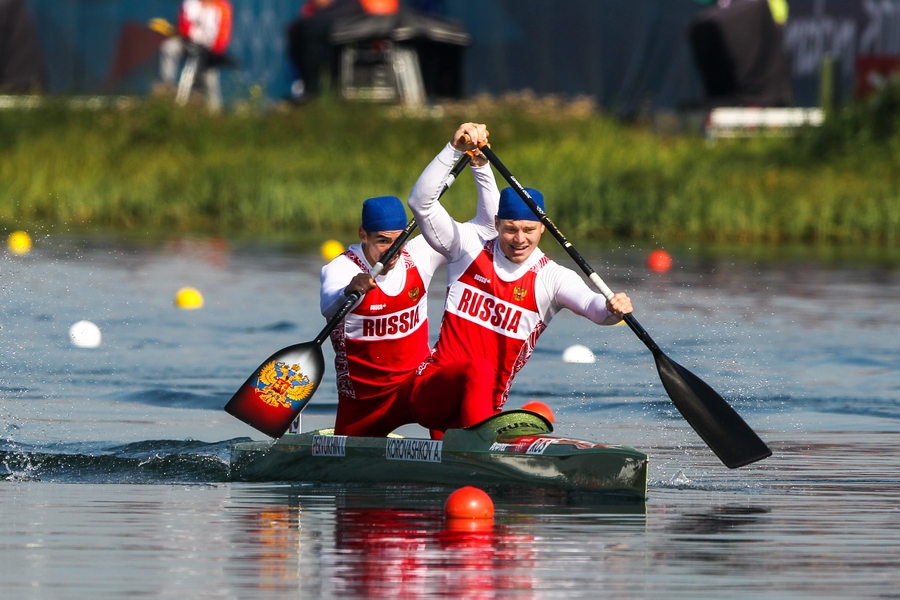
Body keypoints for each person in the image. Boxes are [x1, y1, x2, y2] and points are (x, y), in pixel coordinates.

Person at [407, 138, 634, 431]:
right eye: (510, 229)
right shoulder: (467, 248)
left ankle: (470, 447)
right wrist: (454, 148)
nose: (519, 239)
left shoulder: (552, 277)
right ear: (497, 223)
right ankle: (483, 444)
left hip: (480, 410)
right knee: (480, 368)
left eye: (529, 229)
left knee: (464, 440)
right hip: (431, 395)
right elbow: (421, 203)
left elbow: (593, 307)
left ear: (543, 228)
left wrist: (612, 308)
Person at [320, 123, 498, 437]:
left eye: (398, 240)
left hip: (417, 389)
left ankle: (474, 448)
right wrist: (349, 291)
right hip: (363, 406)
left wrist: (481, 166)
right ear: (363, 235)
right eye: (382, 241)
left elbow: (488, 229)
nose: (393, 251)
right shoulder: (342, 268)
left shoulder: (419, 253)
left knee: (476, 369)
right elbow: (329, 305)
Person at [159, 0, 233, 111]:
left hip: (208, 49)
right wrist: (188, 36)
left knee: (209, 77)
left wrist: (210, 52)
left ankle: (214, 110)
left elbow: (222, 36)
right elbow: (183, 25)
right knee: (169, 47)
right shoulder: (190, 3)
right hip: (186, 42)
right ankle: (167, 85)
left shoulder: (222, 7)